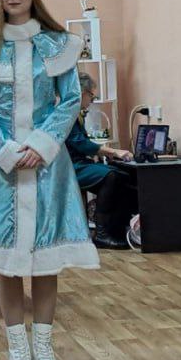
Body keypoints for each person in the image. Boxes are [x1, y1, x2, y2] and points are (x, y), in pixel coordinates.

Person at [0, 0, 98, 360]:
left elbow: (69, 100)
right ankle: (17, 349)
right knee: (8, 263)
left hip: (47, 167)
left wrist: (41, 145)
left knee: (44, 263)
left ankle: (44, 346)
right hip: (1, 168)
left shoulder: (56, 46)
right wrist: (5, 149)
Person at [65, 71, 135, 249]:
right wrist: (113, 151)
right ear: (82, 93)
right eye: (91, 96)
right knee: (111, 177)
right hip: (69, 167)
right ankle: (102, 234)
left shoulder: (75, 113)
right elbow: (81, 144)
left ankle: (119, 229)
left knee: (122, 176)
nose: (91, 100)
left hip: (79, 163)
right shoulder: (67, 113)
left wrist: (103, 152)